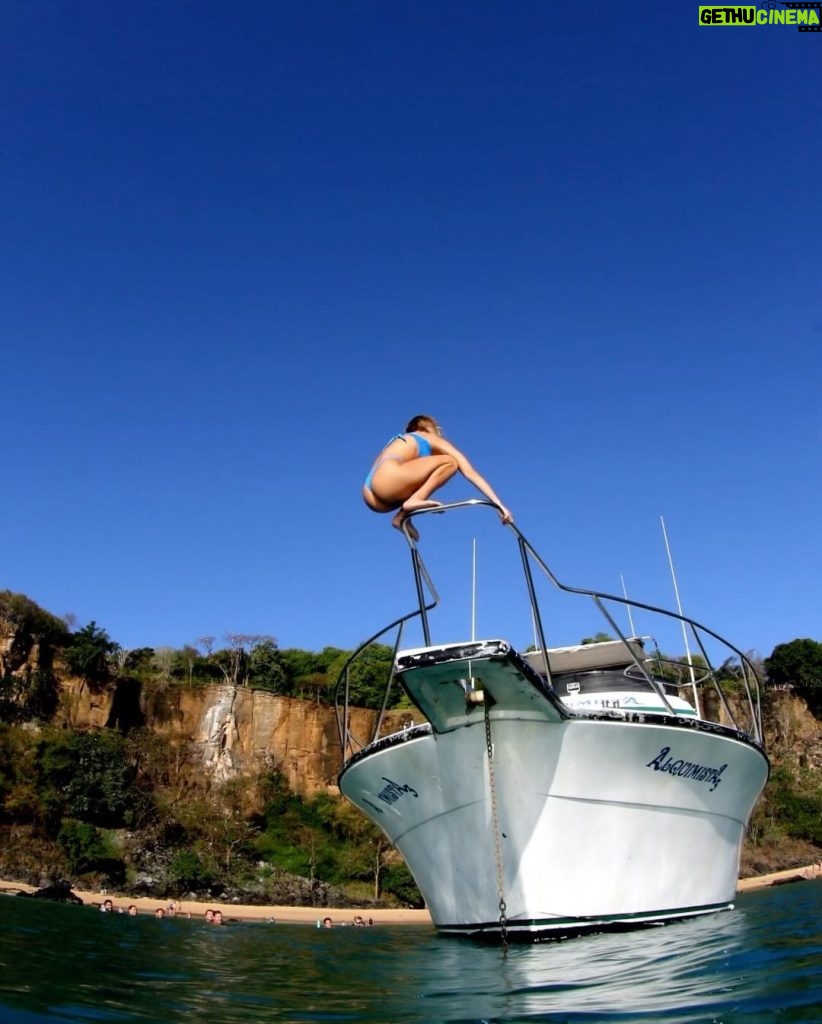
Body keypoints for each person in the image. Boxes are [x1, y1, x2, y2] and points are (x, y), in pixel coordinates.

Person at [363, 415, 513, 540]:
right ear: (430, 428)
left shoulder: (398, 442)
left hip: (371, 494)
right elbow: (470, 472)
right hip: (389, 479)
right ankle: (412, 503)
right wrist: (498, 504)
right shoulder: (427, 436)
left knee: (418, 482)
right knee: (450, 462)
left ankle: (402, 516)